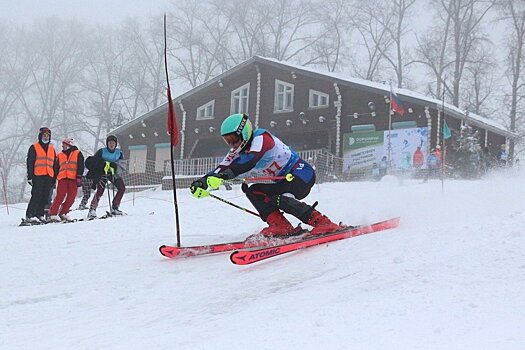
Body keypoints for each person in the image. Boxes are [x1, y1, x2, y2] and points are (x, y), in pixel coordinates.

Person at [189, 113, 340, 237]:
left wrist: (223, 176)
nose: (232, 144)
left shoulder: (261, 138)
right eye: (227, 141)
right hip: (283, 181)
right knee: (254, 190)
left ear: (245, 132)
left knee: (282, 198)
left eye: (234, 139)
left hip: (301, 174)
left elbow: (250, 160)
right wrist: (202, 182)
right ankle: (280, 226)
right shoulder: (236, 152)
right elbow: (221, 168)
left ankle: (323, 223)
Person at [86, 135, 126, 218]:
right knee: (100, 189)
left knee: (122, 188)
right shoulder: (101, 151)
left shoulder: (119, 153)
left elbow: (123, 164)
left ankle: (115, 207)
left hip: (113, 173)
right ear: (107, 144)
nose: (111, 145)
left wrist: (115, 166)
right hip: (102, 173)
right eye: (110, 143)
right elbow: (94, 161)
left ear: (116, 144)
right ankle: (92, 209)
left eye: (113, 143)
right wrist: (103, 164)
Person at [47, 138, 84, 222]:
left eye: (64, 144)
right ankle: (53, 213)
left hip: (73, 179)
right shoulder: (60, 155)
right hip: (62, 178)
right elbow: (56, 168)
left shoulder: (77, 153)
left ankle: (63, 212)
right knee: (60, 196)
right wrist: (54, 178)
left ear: (69, 145)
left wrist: (79, 177)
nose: (62, 146)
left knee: (71, 197)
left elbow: (81, 166)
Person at [25, 127, 57, 223]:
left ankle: (40, 214)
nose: (46, 137)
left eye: (48, 135)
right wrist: (30, 176)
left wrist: (54, 178)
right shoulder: (34, 147)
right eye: (44, 135)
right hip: (38, 175)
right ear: (40, 136)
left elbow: (54, 164)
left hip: (49, 176)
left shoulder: (52, 149)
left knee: (45, 196)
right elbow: (30, 162)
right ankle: (30, 215)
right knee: (36, 195)